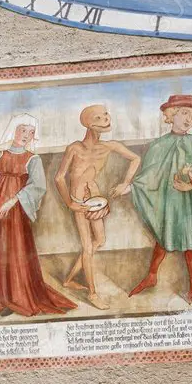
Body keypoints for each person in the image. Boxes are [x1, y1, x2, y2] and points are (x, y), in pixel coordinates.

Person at [0, 114, 76, 317]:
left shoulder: (33, 159)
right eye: (23, 130)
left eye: (31, 132)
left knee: (15, 248)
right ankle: (1, 297)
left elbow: (38, 185)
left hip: (15, 209)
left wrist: (13, 201)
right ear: (13, 130)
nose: (27, 135)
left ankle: (18, 297)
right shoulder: (1, 155)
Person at [129, 94, 192, 304]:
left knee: (190, 240)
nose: (188, 119)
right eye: (184, 113)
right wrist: (132, 187)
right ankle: (151, 275)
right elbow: (149, 175)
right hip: (168, 198)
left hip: (191, 201)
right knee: (165, 233)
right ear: (171, 114)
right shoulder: (157, 145)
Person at [54, 105, 141, 309]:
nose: (106, 119)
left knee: (99, 240)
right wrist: (70, 203)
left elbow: (136, 159)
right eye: (99, 117)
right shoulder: (75, 148)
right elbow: (59, 177)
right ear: (89, 124)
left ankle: (68, 280)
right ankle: (93, 294)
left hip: (94, 196)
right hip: (79, 199)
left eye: (106, 115)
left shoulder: (109, 146)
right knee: (87, 246)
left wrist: (125, 183)